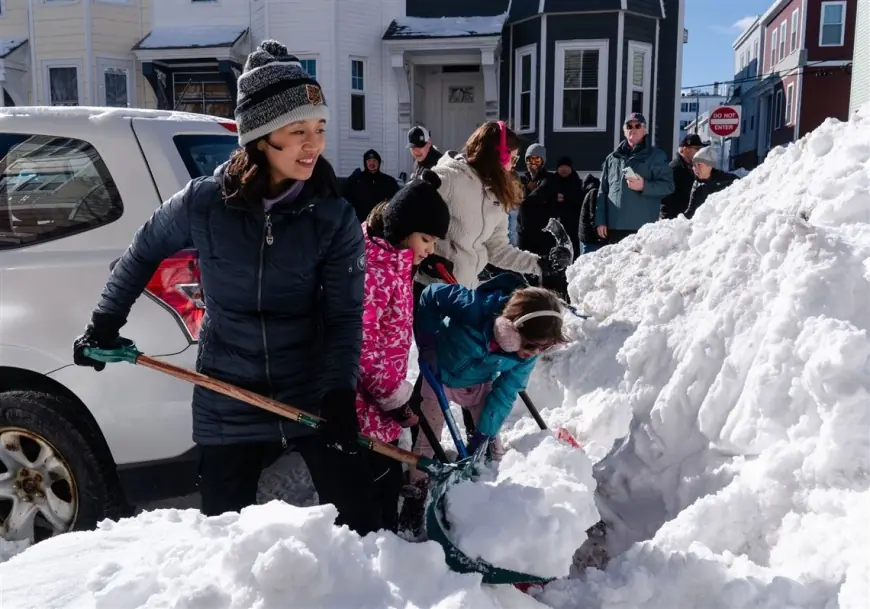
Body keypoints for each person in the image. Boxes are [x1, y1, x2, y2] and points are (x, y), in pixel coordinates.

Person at [71, 40, 383, 533]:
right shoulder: (205, 203)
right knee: (223, 535)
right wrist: (105, 322)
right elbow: (141, 252)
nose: (314, 144)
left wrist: (340, 394)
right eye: (297, 130)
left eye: (319, 129)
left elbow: (344, 316)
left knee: (362, 520)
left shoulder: (332, 215)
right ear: (259, 137)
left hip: (307, 387)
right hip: (227, 389)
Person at [399, 274, 567, 534]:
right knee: (426, 442)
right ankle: (416, 494)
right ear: (510, 329)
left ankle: (488, 497)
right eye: (531, 345)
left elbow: (506, 392)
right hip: (439, 375)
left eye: (542, 349)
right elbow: (430, 294)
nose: (533, 353)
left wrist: (483, 434)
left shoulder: (525, 357)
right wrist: (428, 343)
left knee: (492, 446)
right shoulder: (473, 307)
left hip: (478, 385)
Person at [355, 169, 450, 532]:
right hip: (363, 407)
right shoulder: (375, 272)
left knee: (388, 484)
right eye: (426, 239)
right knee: (370, 499)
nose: (429, 249)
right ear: (401, 227)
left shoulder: (394, 263)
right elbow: (363, 348)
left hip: (381, 407)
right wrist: (395, 398)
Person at [425, 121, 571, 289]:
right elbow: (404, 216)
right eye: (513, 159)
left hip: (465, 290)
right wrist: (426, 258)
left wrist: (541, 264)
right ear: (498, 156)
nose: (513, 166)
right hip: (434, 289)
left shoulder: (495, 193)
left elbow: (497, 250)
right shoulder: (450, 178)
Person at [596, 113, 675, 244]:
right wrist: (601, 221)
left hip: (642, 227)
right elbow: (603, 192)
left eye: (638, 125)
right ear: (624, 130)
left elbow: (668, 186)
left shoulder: (656, 156)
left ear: (645, 130)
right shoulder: (612, 158)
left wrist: (644, 186)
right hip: (615, 227)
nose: (633, 129)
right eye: (629, 126)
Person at [344, 149, 401, 223]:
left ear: (379, 163)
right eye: (369, 161)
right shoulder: (355, 179)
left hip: (380, 222)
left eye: (374, 161)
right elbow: (346, 199)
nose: (372, 163)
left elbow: (395, 202)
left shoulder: (389, 181)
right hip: (359, 222)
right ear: (365, 163)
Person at [685, 146, 739, 219]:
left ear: (709, 165)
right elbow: (691, 211)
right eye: (694, 165)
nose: (695, 168)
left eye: (699, 165)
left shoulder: (728, 180)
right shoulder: (697, 184)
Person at [660, 134, 705, 220]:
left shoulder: (696, 168)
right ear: (685, 149)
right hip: (676, 222)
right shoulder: (673, 170)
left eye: (701, 149)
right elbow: (665, 200)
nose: (700, 152)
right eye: (697, 149)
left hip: (692, 220)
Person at [579, 174, 604, 254]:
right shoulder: (594, 192)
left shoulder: (588, 192)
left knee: (586, 256)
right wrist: (597, 231)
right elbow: (593, 213)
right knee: (588, 258)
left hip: (586, 233)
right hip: (591, 235)